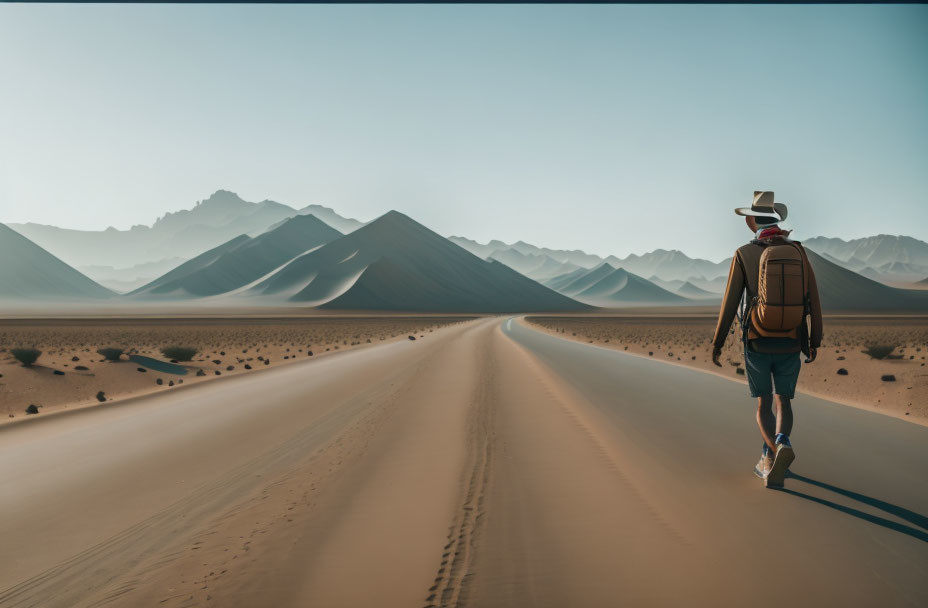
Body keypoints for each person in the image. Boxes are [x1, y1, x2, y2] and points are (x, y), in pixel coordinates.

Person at [711, 191, 822, 488]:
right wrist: (815, 340)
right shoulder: (798, 251)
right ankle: (780, 443)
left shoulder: (744, 253)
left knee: (762, 405)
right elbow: (813, 298)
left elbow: (731, 302)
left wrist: (717, 342)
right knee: (783, 401)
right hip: (791, 339)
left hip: (757, 340)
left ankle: (773, 455)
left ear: (751, 221)